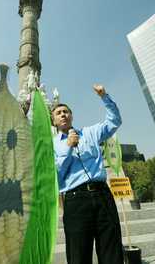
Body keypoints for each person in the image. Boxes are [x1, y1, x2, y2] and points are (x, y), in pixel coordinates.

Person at [51, 84, 124, 264]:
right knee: (78, 255)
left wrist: (104, 96)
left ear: (71, 115)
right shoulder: (50, 145)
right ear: (53, 121)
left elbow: (114, 121)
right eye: (58, 113)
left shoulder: (90, 133)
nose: (63, 114)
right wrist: (68, 147)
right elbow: (56, 175)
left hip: (102, 195)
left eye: (66, 111)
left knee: (112, 251)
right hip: (75, 201)